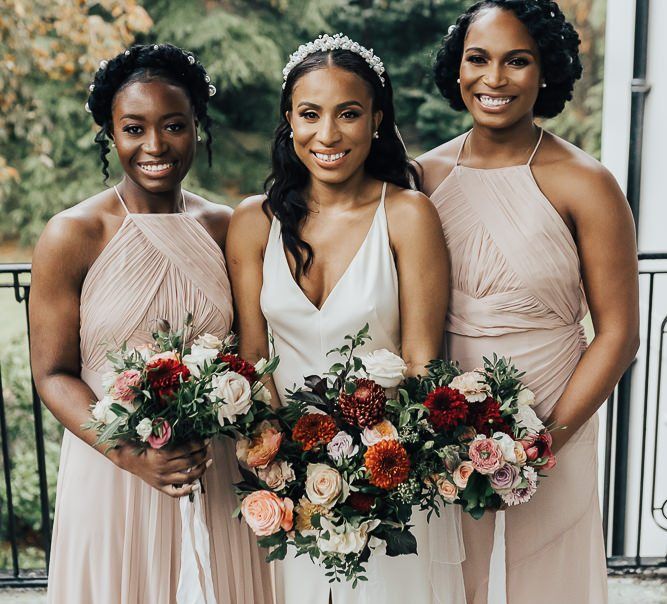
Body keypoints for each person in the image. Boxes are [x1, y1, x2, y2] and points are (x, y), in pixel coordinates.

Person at [226, 33, 466, 604]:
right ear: (289, 119)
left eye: (349, 114)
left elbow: (420, 362)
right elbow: (255, 359)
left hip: (387, 477)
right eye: (310, 114)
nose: (327, 135)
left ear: (377, 120)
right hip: (285, 487)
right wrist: (283, 463)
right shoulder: (252, 222)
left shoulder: (408, 215)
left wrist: (364, 470)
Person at [29, 43, 272, 604]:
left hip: (211, 472)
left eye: (174, 126)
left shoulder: (225, 227)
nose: (155, 146)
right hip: (113, 471)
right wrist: (131, 456)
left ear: (197, 128)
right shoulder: (72, 234)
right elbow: (53, 373)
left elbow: (254, 353)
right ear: (110, 134)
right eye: (134, 128)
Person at [418, 2, 639, 603]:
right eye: (478, 59)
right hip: (442, 430)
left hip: (556, 420)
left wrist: (542, 442)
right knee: (448, 577)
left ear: (547, 71)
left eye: (517, 61)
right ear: (456, 69)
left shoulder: (586, 182)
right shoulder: (421, 179)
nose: (494, 79)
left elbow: (619, 333)